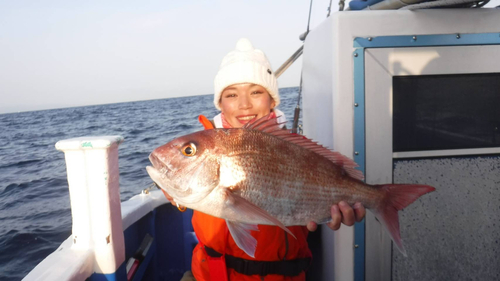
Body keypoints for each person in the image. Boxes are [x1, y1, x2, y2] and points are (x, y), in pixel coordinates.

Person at [169, 38, 366, 281]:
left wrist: (335, 213)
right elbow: (182, 184)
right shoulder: (206, 147)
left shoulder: (297, 151)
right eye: (231, 94)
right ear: (220, 104)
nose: (244, 104)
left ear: (272, 100)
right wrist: (172, 192)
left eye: (256, 92)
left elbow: (315, 200)